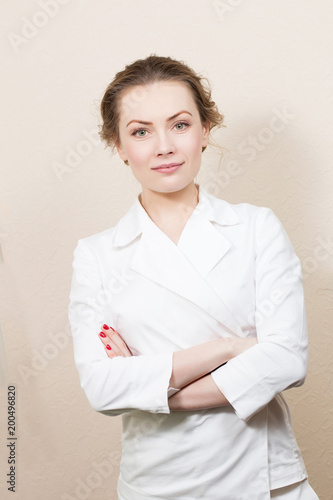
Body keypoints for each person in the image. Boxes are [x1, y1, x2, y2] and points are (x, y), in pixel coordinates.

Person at [68, 55, 319, 499]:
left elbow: (286, 360)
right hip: (158, 484)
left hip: (266, 482)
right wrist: (230, 348)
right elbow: (103, 388)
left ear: (205, 130)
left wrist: (155, 388)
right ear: (119, 145)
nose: (163, 146)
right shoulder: (97, 255)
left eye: (179, 124)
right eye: (140, 131)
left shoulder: (256, 227)